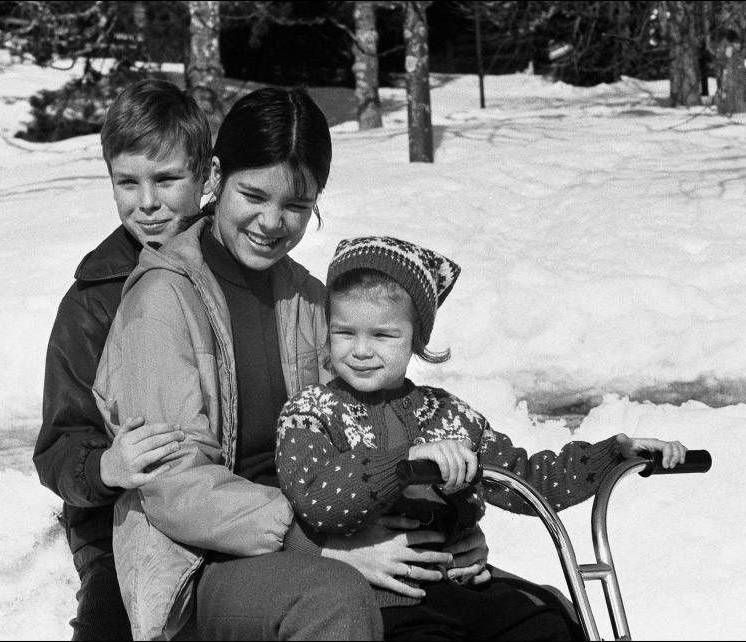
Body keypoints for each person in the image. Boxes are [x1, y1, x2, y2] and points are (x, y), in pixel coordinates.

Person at [96, 87, 488, 641]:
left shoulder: (308, 298)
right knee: (335, 601)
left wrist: (447, 525)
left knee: (516, 609)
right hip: (204, 560)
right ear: (215, 177)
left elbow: (371, 426)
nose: (273, 221)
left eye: (297, 206)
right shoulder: (161, 302)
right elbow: (174, 487)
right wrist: (323, 545)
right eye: (253, 195)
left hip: (332, 526)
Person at [275, 236, 689, 640]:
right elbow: (318, 498)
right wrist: (405, 461)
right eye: (345, 332)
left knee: (547, 621)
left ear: (417, 339)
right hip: (383, 598)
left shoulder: (448, 414)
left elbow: (526, 479)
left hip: (463, 583)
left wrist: (613, 456)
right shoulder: (310, 412)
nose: (361, 350)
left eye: (383, 335)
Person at [33, 78, 212, 641]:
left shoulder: (231, 269)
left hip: (221, 501)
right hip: (119, 522)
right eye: (127, 182)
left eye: (167, 179)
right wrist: (107, 466)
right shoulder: (93, 298)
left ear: (206, 174)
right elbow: (59, 445)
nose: (148, 202)